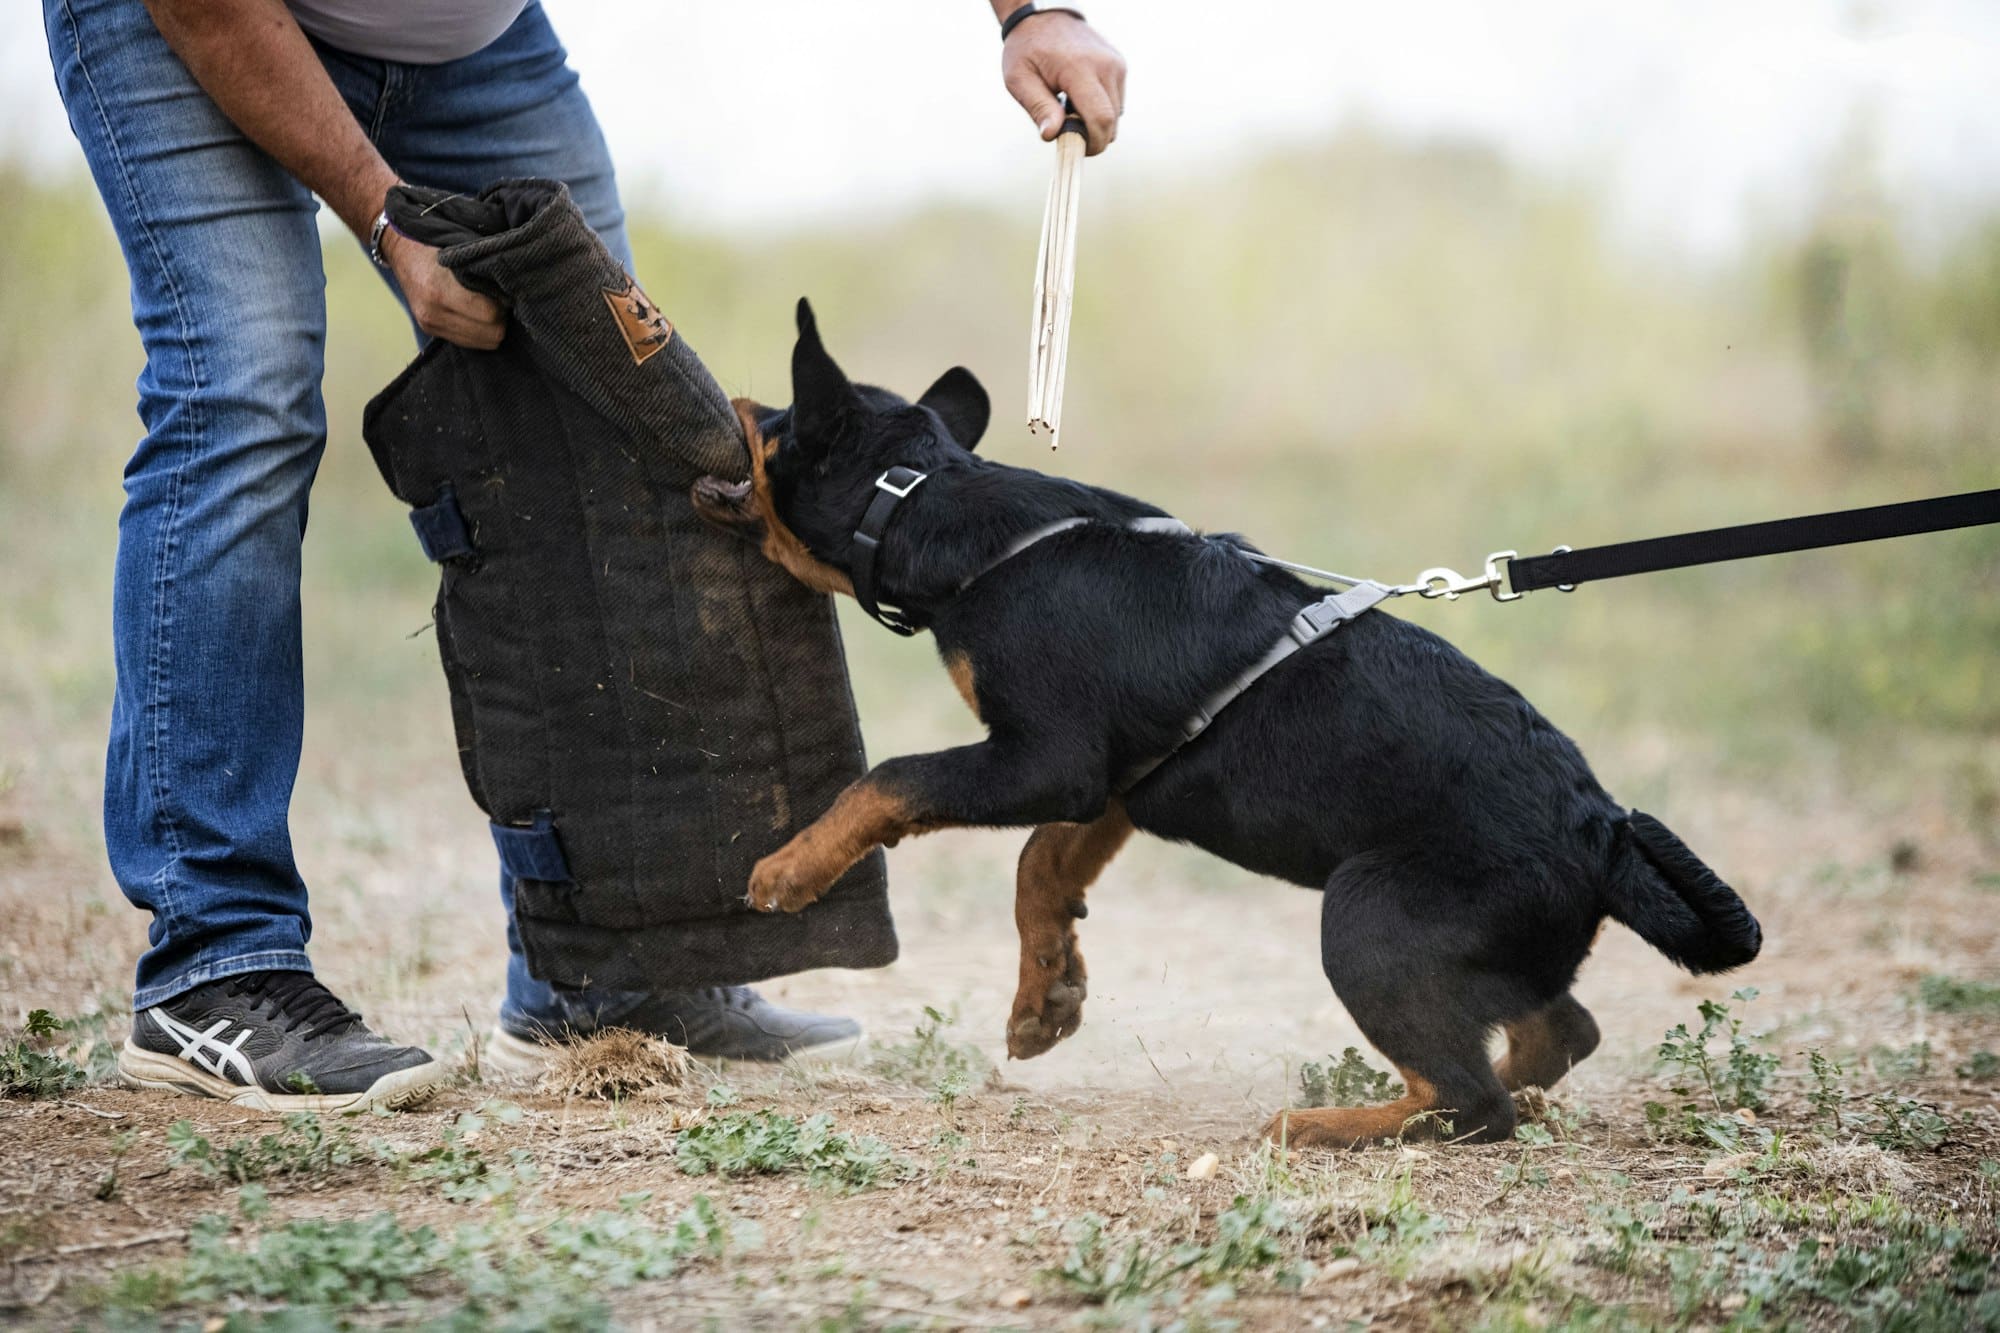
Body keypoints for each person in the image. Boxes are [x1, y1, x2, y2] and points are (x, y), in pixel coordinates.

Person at [42, 0, 1127, 1112]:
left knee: (623, 420)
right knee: (245, 392)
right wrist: (380, 218)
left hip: (467, 45)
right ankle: (215, 960)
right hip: (191, 21)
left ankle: (600, 974)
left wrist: (1030, 12)